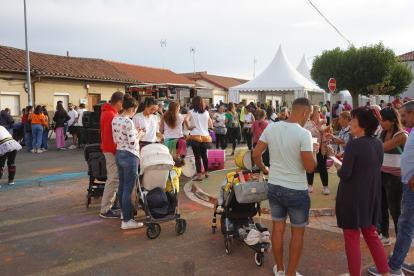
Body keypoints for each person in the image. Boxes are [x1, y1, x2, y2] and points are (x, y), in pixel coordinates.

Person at [253, 97, 318, 276]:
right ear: (305, 112)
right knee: (297, 234)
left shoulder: (272, 127)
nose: (309, 118)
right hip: (296, 189)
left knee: (278, 229)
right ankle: (290, 273)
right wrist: (314, 151)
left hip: (274, 186)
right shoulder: (303, 134)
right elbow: (310, 167)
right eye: (310, 115)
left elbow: (256, 153)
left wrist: (263, 168)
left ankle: (280, 269)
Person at [333, 107, 390, 276]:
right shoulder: (378, 142)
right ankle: (385, 273)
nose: (350, 123)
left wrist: (337, 165)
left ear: (363, 125)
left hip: (351, 197)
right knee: (371, 235)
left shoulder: (353, 144)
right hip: (371, 196)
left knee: (351, 238)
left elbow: (345, 174)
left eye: (353, 120)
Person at [369, 101, 414, 275]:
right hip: (402, 180)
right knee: (391, 213)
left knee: (403, 222)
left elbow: (382, 148)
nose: (402, 118)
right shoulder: (387, 132)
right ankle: (389, 242)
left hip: (403, 181)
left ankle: (394, 267)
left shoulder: (402, 134)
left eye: (404, 115)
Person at [376, 107, 408, 247]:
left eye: (383, 121)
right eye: (380, 121)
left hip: (395, 177)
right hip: (381, 174)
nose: (381, 123)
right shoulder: (382, 132)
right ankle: (385, 236)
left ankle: (400, 243)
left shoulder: (402, 135)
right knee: (382, 207)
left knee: (396, 211)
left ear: (393, 121)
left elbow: (381, 148)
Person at [113, 94, 146, 229]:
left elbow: (118, 138)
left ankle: (124, 214)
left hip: (119, 153)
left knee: (122, 186)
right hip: (130, 155)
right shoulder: (128, 121)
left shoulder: (115, 119)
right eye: (135, 110)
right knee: (128, 188)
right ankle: (126, 221)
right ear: (132, 108)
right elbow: (133, 143)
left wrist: (134, 133)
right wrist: (140, 134)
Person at [99, 91, 124, 219]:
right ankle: (105, 209)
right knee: (113, 179)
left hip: (109, 150)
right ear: (119, 102)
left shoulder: (108, 112)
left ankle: (111, 204)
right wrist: (116, 151)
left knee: (113, 178)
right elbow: (109, 137)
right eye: (123, 103)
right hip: (111, 151)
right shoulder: (110, 114)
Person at [184, 96, 212, 182]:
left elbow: (185, 119)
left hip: (195, 136)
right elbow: (210, 125)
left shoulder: (192, 112)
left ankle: (199, 177)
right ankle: (206, 173)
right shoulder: (206, 112)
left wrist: (189, 127)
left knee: (197, 157)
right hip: (205, 136)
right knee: (204, 156)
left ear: (194, 103)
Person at [304, 105, 331, 195]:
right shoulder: (308, 123)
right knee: (311, 167)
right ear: (314, 113)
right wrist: (319, 125)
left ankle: (325, 187)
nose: (320, 113)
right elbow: (310, 133)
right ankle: (310, 185)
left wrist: (328, 132)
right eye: (319, 111)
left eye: (321, 111)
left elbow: (324, 132)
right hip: (312, 148)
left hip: (322, 148)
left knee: (323, 167)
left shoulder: (321, 122)